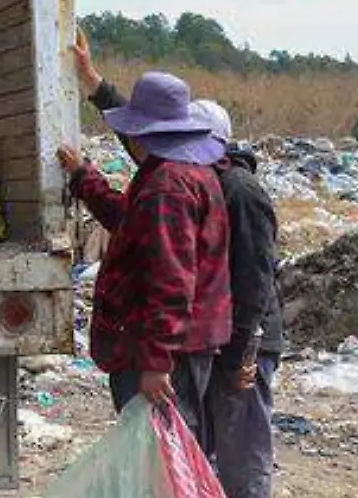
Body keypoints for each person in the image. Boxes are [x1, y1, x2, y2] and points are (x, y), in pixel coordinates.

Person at [58, 69, 231, 437]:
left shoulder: (168, 186)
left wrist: (156, 361)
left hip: (164, 353)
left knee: (162, 463)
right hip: (181, 345)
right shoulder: (187, 174)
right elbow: (129, 222)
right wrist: (83, 179)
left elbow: (172, 279)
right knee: (170, 460)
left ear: (140, 133)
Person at [190, 99, 282, 498]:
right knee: (212, 449)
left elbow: (255, 283)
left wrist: (241, 356)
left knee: (243, 451)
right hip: (222, 340)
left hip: (247, 342)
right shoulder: (208, 182)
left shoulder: (241, 193)